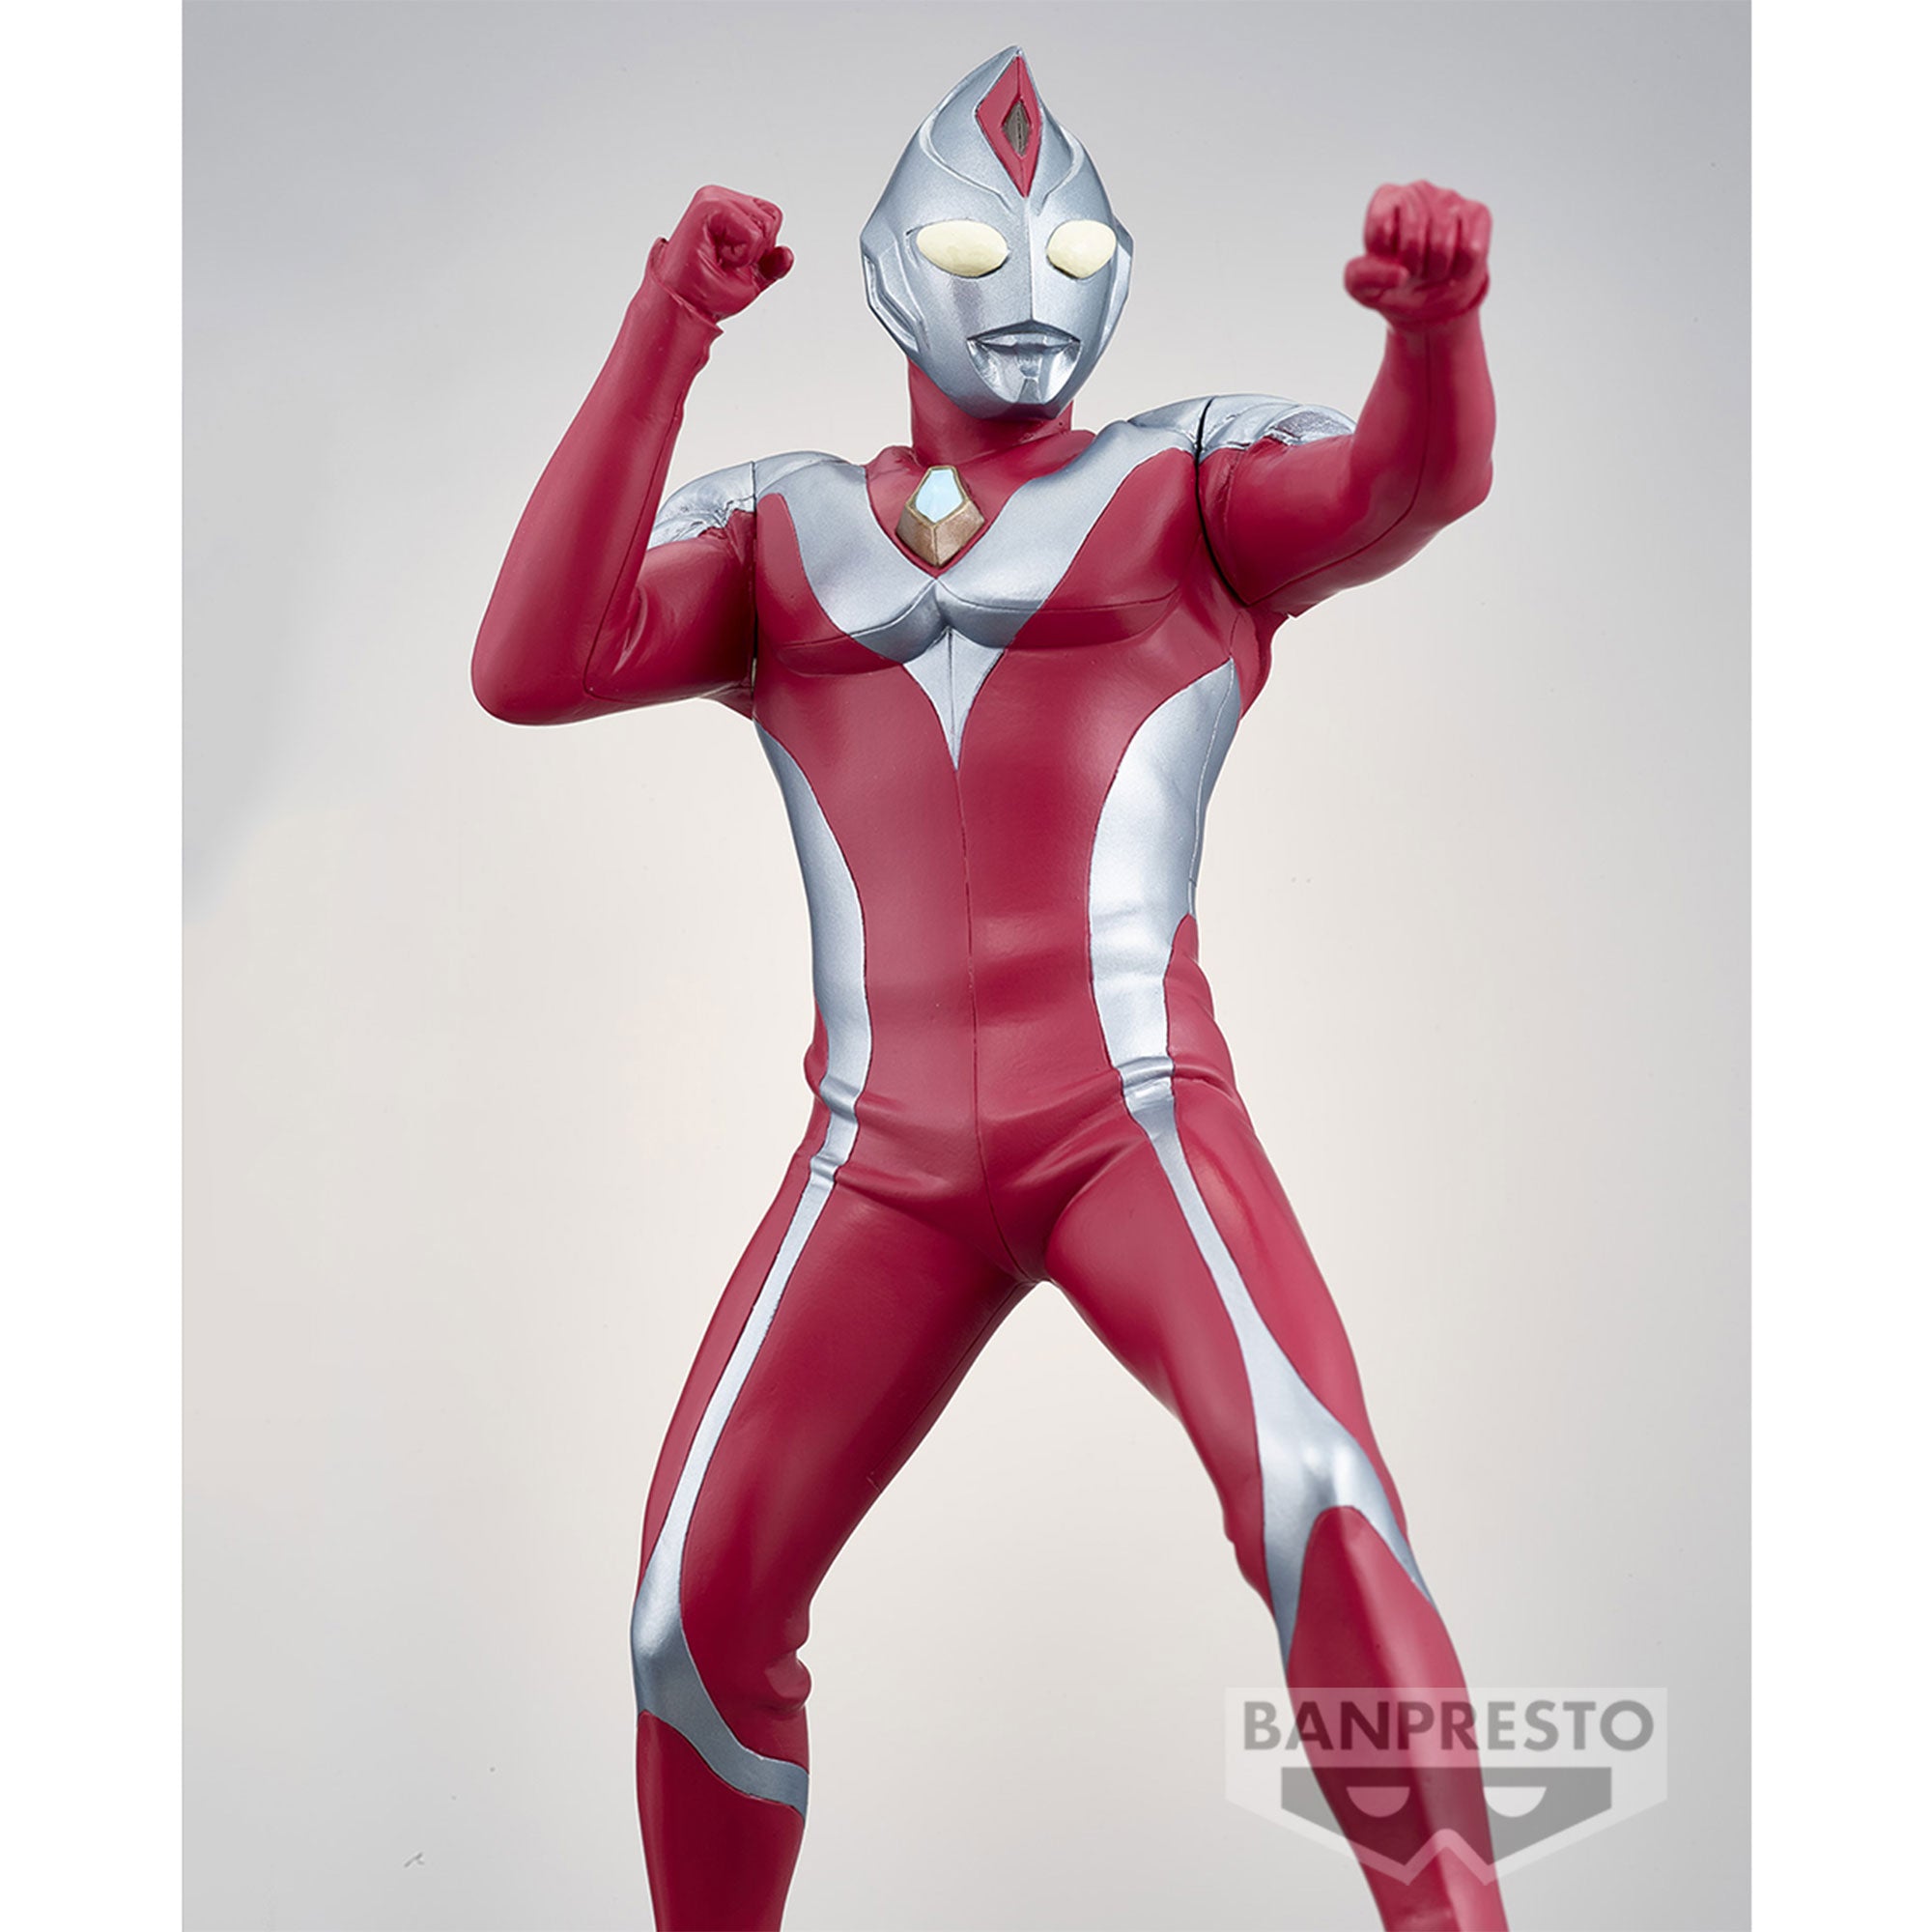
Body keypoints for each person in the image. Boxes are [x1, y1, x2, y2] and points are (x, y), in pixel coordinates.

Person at [473, 46, 1502, 1932]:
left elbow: (1402, 487)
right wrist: (667, 327)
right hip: (877, 1161)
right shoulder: (784, 529)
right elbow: (532, 663)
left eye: (1071, 252)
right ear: (890, 273)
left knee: (1318, 1498)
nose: (1027, 288)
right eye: (971, 248)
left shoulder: (1182, 483)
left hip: (1130, 1122)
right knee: (689, 1614)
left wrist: (1433, 335)